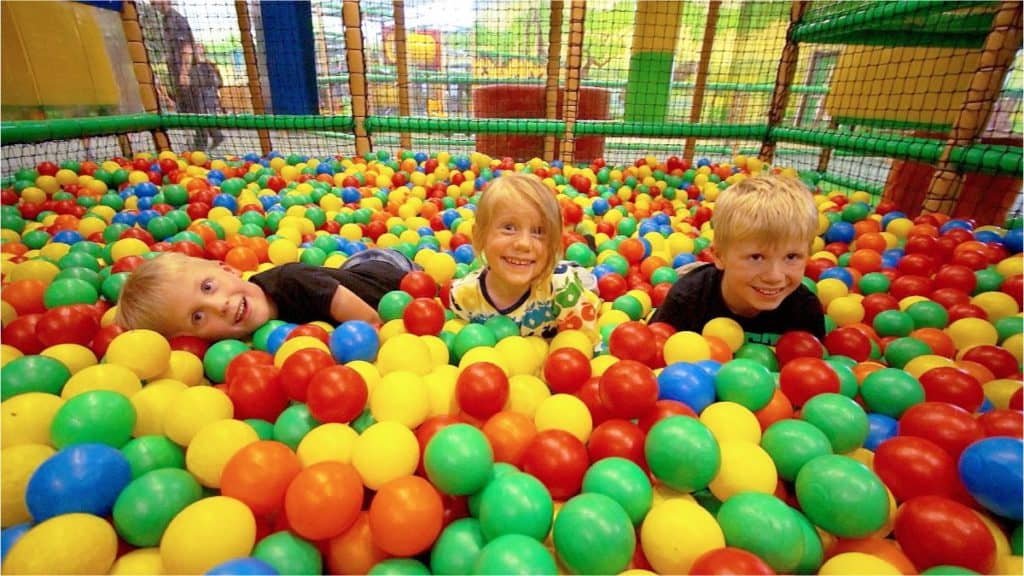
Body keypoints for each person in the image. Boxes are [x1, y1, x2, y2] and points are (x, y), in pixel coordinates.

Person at [649, 174, 825, 346]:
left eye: (791, 257)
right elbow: (653, 352)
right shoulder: (687, 300)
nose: (774, 276)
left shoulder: (805, 311)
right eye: (756, 257)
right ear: (718, 255)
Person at [115, 248, 418, 341]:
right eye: (197, 316)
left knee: (366, 270)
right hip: (340, 279)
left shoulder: (290, 280)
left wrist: (377, 334)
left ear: (229, 269)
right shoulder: (242, 340)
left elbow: (368, 318)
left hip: (387, 277)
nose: (219, 305)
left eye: (208, 287)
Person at [447, 172, 600, 340]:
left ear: (553, 244)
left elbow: (584, 347)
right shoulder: (463, 296)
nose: (524, 244)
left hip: (566, 275)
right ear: (479, 237)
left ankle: (588, 240)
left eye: (538, 231)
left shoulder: (565, 290)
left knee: (588, 280)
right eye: (509, 227)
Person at [190, 44, 225, 151]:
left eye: (199, 48)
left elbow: (218, 82)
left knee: (205, 117)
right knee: (202, 118)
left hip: (208, 95)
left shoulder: (208, 65)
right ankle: (215, 137)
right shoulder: (192, 66)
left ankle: (204, 142)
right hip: (198, 96)